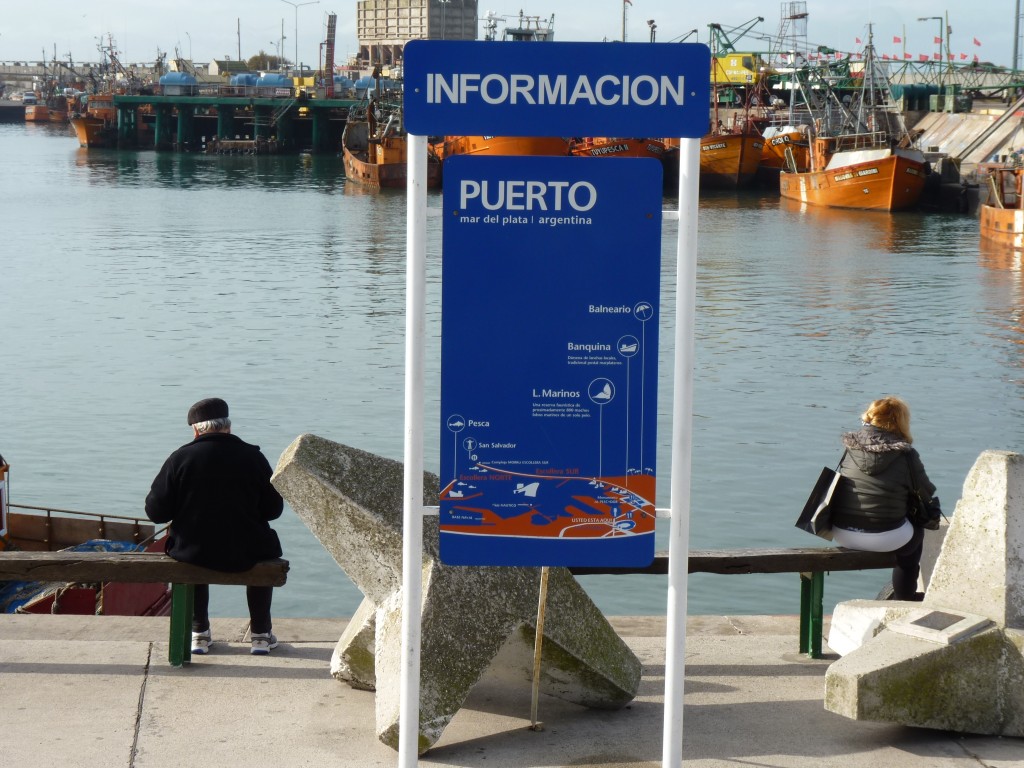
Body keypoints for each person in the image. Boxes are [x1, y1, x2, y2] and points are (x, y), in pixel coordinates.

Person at [145, 398, 284, 655]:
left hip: (193, 551)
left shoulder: (180, 459)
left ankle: (199, 632)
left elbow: (155, 513)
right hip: (247, 550)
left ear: (196, 430)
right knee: (264, 548)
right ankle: (261, 635)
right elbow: (273, 511)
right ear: (228, 427)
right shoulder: (254, 458)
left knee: (193, 551)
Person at [829, 396, 938, 601]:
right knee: (917, 531)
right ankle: (905, 596)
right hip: (886, 538)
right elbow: (926, 491)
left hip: (842, 533)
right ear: (901, 422)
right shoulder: (906, 455)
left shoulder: (850, 449)